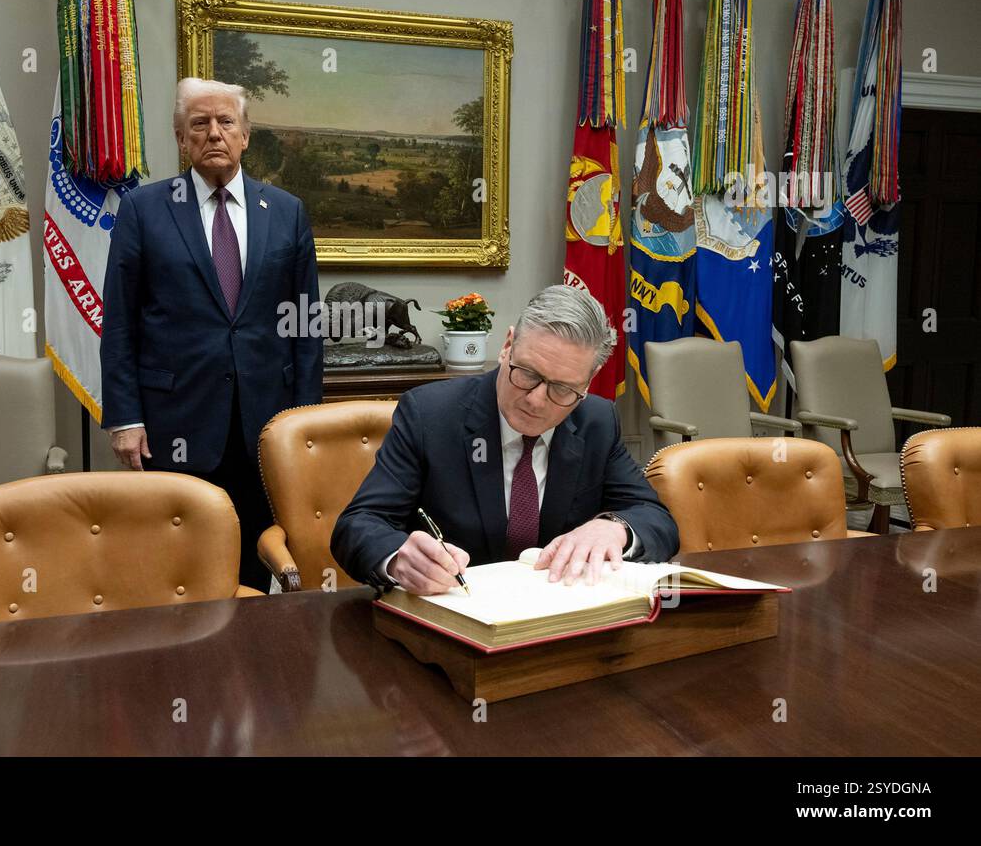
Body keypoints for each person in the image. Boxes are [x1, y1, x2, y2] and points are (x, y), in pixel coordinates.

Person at [101, 77, 322, 590]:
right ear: (181, 139)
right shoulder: (143, 210)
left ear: (246, 136)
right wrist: (125, 417)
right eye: (199, 123)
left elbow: (307, 323)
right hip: (173, 420)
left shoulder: (286, 212)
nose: (214, 133)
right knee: (176, 569)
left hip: (266, 425)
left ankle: (249, 662)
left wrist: (306, 421)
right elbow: (119, 321)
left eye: (226, 122)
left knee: (255, 558)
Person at [332, 285, 677, 594]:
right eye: (527, 374)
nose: (536, 400)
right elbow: (358, 525)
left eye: (561, 389)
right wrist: (397, 559)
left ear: (587, 384)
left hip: (559, 625)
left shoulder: (596, 421)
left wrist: (615, 529)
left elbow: (656, 519)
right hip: (453, 618)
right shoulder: (429, 414)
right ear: (507, 345)